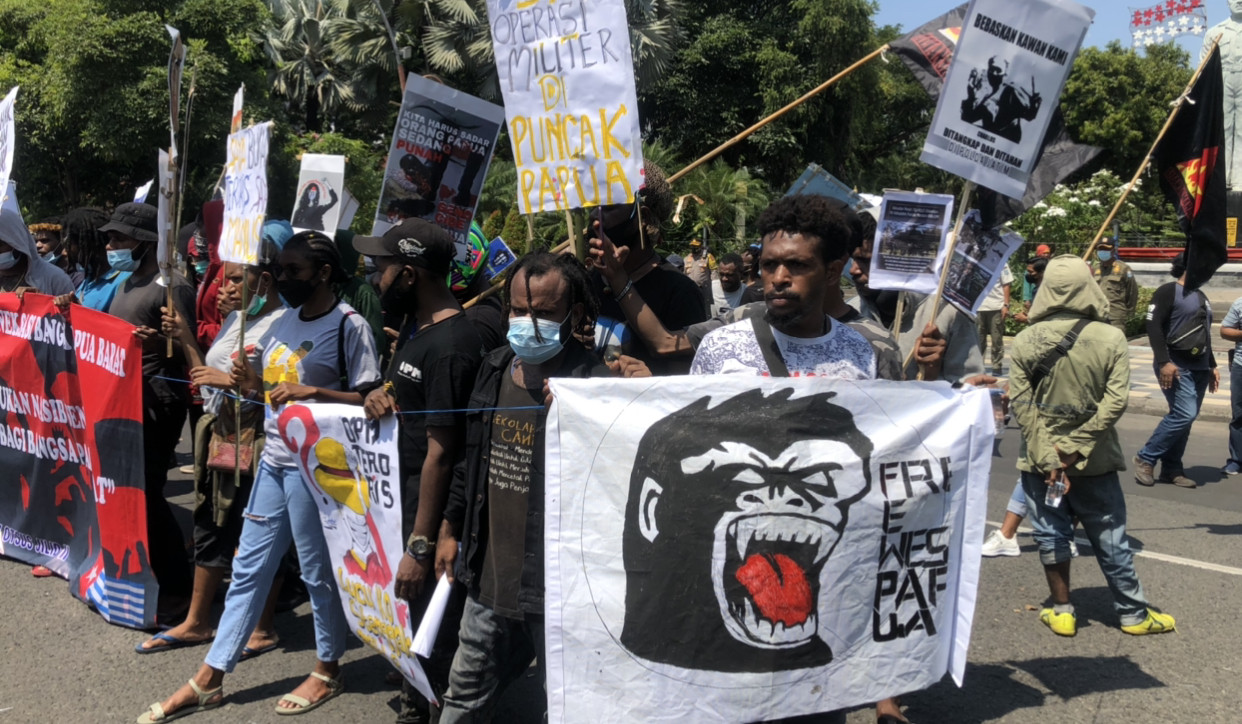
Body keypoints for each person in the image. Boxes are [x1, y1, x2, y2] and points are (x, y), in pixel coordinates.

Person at [136, 231, 382, 722]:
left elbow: (372, 399)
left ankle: (328, 667)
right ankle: (211, 677)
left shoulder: (349, 326)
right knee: (248, 566)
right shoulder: (282, 322)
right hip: (274, 459)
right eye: (280, 271)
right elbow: (257, 387)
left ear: (325, 273)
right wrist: (237, 379)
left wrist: (309, 390)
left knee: (316, 573)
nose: (283, 280)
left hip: (320, 471)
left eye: (294, 272)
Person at [435, 252, 613, 723]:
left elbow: (614, 482)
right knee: (463, 694)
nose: (527, 322)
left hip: (560, 589)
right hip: (487, 576)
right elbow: (470, 461)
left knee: (567, 705)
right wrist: (450, 529)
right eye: (518, 310)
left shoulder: (593, 384)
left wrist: (585, 413)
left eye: (544, 312)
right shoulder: (493, 369)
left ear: (574, 315)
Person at [135, 233, 289, 658]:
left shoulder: (284, 326)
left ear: (266, 282)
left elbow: (288, 392)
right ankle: (197, 622)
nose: (226, 288)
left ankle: (263, 626)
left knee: (254, 533)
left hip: (260, 444)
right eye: (225, 279)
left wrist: (247, 387)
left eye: (238, 280)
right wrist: (184, 335)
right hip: (222, 437)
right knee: (210, 524)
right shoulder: (236, 320)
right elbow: (205, 376)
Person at [355, 218, 483, 724]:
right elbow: (404, 401)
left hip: (426, 527)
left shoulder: (452, 346)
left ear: (408, 275)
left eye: (382, 267)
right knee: (413, 637)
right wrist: (380, 395)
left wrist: (420, 544)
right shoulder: (417, 331)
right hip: (403, 507)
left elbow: (444, 454)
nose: (374, 277)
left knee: (434, 644)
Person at [1009, 255, 1176, 638]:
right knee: (1110, 535)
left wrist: (1051, 455)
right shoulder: (1111, 337)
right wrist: (1076, 447)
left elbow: (1022, 405)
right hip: (1094, 458)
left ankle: (1063, 611)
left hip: (1039, 460)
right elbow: (1115, 402)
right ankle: (1133, 614)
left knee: (1051, 534)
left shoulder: (1025, 339)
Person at [102, 202, 196, 618]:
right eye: (111, 238)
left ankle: (179, 586)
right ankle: (149, 572)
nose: (111, 245)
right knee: (130, 490)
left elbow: (188, 347)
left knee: (149, 491)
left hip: (158, 399)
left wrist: (159, 343)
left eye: (118, 238)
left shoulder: (172, 285)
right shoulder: (125, 282)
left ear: (142, 242)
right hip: (124, 398)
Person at [692, 196, 875, 378]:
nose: (778, 279)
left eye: (797, 265)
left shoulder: (861, 354)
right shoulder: (719, 347)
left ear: (832, 272)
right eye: (769, 265)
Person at [588, 161, 707, 374]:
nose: (596, 217)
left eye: (608, 207)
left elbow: (688, 382)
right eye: (592, 206)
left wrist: (649, 383)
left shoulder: (679, 291)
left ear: (641, 217)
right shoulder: (588, 281)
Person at [849, 217, 983, 383]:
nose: (853, 270)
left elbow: (971, 390)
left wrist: (931, 377)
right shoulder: (850, 313)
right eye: (853, 259)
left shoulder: (949, 313)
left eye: (865, 261)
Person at [1134, 254, 1219, 489]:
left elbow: (1204, 332)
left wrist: (1211, 365)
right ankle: (1146, 457)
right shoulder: (1168, 291)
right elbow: (1153, 326)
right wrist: (1163, 361)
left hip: (1199, 367)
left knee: (1184, 420)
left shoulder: (1202, 295)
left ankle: (1172, 469)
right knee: (1184, 413)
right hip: (1175, 365)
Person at [0, 186, 75, 297]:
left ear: (17, 243)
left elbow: (72, 312)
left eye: (0, 244)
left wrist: (42, 301)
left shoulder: (55, 278)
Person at [959, 56, 1042, 143]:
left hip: (1007, 141)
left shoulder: (1011, 92)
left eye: (998, 70)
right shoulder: (988, 96)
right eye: (992, 69)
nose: (994, 74)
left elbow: (1029, 116)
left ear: (1004, 74)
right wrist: (971, 94)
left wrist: (1035, 104)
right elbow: (967, 118)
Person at [62, 207, 128, 311]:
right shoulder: (89, 278)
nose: (64, 252)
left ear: (87, 244)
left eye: (70, 244)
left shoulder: (123, 281)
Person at [1092, 239, 1139, 334]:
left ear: (1113, 250)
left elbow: (1132, 291)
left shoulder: (1124, 269)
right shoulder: (1095, 269)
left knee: (1116, 345)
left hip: (1116, 316)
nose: (1103, 252)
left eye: (1106, 250)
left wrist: (1129, 312)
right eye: (1100, 250)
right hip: (1098, 315)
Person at [1221, 291, 1242, 475]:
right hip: (1240, 367)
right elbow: (1225, 330)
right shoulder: (1239, 303)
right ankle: (1236, 459)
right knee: (1239, 415)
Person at [31, 217, 84, 286]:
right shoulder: (35, 276)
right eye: (36, 241)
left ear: (62, 243)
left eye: (44, 241)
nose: (37, 245)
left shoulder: (77, 278)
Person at [708, 252, 762, 317]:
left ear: (740, 273)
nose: (724, 279)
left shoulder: (746, 293)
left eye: (729, 275)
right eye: (721, 274)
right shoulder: (709, 289)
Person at [683, 238, 716, 311]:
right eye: (692, 246)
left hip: (703, 287)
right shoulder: (687, 258)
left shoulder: (708, 257)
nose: (694, 248)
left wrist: (714, 285)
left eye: (696, 246)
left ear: (701, 246)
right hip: (691, 288)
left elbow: (713, 271)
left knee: (705, 307)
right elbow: (684, 273)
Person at [1014, 256, 1048, 325]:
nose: (1028, 275)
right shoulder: (1036, 289)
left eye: (1031, 272)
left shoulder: (1045, 291)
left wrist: (1026, 319)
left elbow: (1045, 317)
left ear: (1041, 273)